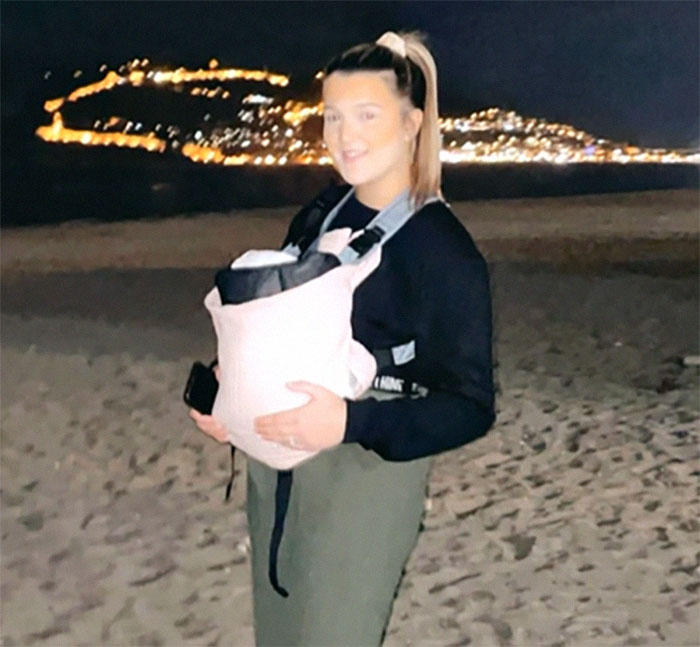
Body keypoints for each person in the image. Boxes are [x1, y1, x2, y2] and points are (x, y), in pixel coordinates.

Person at [189, 29, 496, 646]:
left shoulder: (442, 249)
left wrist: (349, 425)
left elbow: (470, 407)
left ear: (411, 124)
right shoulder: (319, 214)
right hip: (273, 464)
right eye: (332, 116)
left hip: (365, 472)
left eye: (366, 115)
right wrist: (220, 392)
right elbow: (277, 325)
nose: (344, 134)